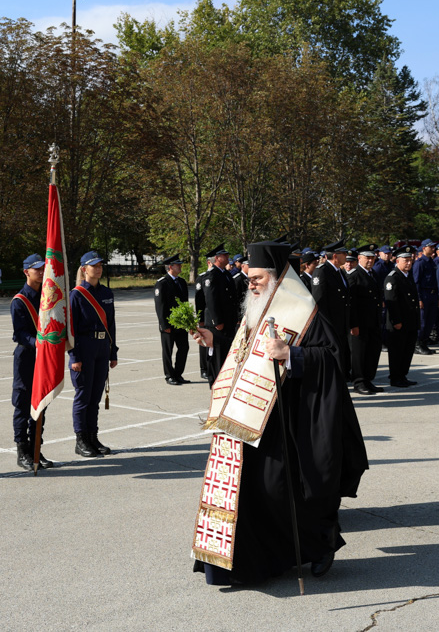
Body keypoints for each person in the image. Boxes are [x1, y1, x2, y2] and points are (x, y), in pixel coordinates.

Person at [191, 241, 368, 585]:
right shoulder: (256, 308)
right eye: (249, 278)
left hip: (294, 419)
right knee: (256, 491)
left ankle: (322, 543)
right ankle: (262, 562)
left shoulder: (304, 311)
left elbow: (331, 359)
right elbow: (248, 355)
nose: (250, 284)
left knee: (287, 489)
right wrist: (215, 341)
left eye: (256, 278)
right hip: (253, 416)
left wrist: (291, 354)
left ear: (276, 277)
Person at [69, 251, 118, 457]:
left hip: (101, 347)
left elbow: (112, 324)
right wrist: (74, 357)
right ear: (84, 269)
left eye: (100, 265)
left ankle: (92, 437)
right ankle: (81, 440)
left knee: (95, 396)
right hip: (85, 347)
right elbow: (71, 329)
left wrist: (112, 351)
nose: (98, 269)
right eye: (93, 266)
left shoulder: (107, 293)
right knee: (83, 396)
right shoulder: (76, 295)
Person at [10, 253, 53, 471]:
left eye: (43, 268)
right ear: (26, 272)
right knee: (23, 405)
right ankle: (22, 451)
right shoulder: (20, 300)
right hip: (27, 357)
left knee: (42, 403)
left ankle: (37, 448)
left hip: (44, 358)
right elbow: (19, 334)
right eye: (37, 269)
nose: (41, 272)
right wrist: (39, 343)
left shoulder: (48, 296)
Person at [311, 240, 353, 377]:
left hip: (340, 324)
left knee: (341, 357)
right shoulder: (322, 271)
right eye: (344, 253)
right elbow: (319, 302)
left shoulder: (339, 272)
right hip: (330, 325)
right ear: (335, 256)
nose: (346, 255)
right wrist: (326, 327)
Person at [202, 244, 241, 386]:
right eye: (224, 255)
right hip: (218, 325)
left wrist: (235, 318)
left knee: (226, 354)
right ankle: (216, 383)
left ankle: (225, 381)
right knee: (217, 355)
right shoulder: (211, 275)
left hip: (228, 322)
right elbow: (211, 300)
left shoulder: (225, 274)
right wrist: (217, 321)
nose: (227, 257)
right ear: (217, 258)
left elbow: (232, 298)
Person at [348, 244, 383, 394]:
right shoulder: (354, 275)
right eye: (367, 258)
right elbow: (350, 303)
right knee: (359, 353)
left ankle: (368, 380)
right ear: (359, 258)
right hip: (360, 322)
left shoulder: (372, 274)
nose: (370, 260)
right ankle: (359, 382)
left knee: (372, 352)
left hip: (373, 320)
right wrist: (353, 324)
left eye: (372, 257)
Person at [384, 244, 419, 387]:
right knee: (397, 351)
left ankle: (402, 375)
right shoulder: (393, 278)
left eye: (410, 260)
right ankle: (395, 377)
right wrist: (396, 320)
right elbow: (392, 302)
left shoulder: (407, 276)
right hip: (399, 323)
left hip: (410, 321)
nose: (409, 263)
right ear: (397, 261)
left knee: (407, 350)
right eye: (405, 260)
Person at [154, 254, 190, 385]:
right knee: (168, 351)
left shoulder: (181, 282)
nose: (180, 266)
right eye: (177, 264)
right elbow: (160, 306)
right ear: (170, 267)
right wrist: (164, 325)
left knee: (184, 348)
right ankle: (169, 375)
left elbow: (184, 303)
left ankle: (178, 374)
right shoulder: (162, 283)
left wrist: (188, 322)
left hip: (181, 324)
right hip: (168, 324)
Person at [412, 239, 439, 355]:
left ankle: (424, 343)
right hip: (424, 294)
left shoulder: (431, 262)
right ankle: (417, 344)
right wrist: (419, 299)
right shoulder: (420, 263)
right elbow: (416, 282)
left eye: (433, 247)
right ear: (424, 248)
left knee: (430, 321)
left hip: (432, 294)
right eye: (431, 247)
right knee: (422, 321)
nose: (433, 249)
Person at [194, 257, 213, 380]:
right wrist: (200, 318)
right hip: (205, 316)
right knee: (203, 342)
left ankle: (211, 367)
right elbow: (199, 300)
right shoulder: (202, 277)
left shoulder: (217, 276)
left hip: (215, 317)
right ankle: (204, 369)